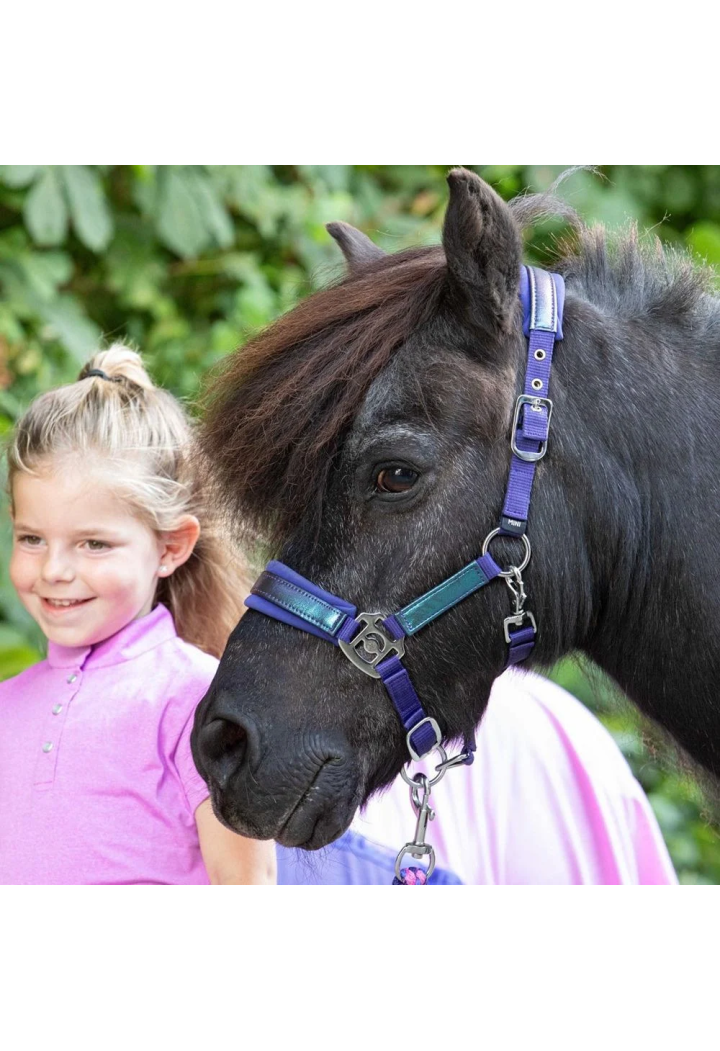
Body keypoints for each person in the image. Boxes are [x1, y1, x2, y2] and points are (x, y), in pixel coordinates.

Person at [0, 345, 276, 885]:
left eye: (94, 544)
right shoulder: (7, 703)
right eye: (32, 538)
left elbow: (249, 889)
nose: (54, 569)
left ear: (171, 547)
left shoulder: (201, 699)